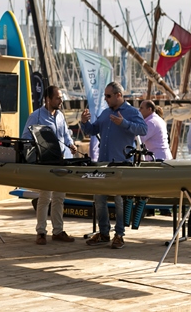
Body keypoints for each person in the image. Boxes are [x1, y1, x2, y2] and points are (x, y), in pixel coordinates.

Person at [80, 81, 147, 249]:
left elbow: (143, 130)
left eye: (108, 96)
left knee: (119, 200)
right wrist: (84, 123)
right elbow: (93, 130)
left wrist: (124, 124)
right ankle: (104, 233)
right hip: (104, 163)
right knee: (99, 199)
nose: (106, 99)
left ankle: (119, 234)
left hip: (121, 163)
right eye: (105, 96)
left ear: (119, 95)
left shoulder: (131, 112)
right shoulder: (104, 113)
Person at [21, 85, 76, 245]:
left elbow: (66, 135)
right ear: (48, 99)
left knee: (59, 197)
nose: (61, 100)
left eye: (61, 97)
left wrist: (71, 144)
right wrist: (39, 142)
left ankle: (58, 231)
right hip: (45, 162)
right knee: (45, 197)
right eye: (58, 98)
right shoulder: (36, 116)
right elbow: (25, 136)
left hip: (62, 160)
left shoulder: (60, 115)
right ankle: (41, 232)